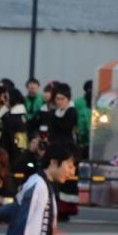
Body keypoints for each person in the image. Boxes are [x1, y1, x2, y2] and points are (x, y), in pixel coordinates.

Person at [48, 83, 80, 219]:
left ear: (67, 99)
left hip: (67, 149)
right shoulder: (55, 112)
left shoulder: (71, 111)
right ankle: (55, 208)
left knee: (66, 180)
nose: (59, 101)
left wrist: (53, 118)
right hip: (55, 147)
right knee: (55, 179)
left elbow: (66, 127)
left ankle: (65, 210)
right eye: (57, 99)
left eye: (62, 99)